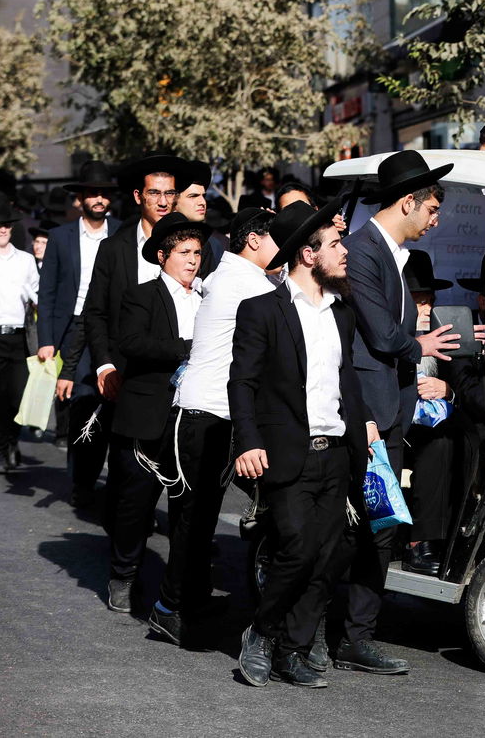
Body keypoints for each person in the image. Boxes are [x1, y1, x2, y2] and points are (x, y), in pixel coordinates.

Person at [230, 199, 373, 689]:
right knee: (296, 547)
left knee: (328, 557)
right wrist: (247, 442)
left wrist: (364, 428)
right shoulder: (260, 311)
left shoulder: (342, 314)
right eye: (335, 244)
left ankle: (293, 650)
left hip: (336, 451)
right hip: (285, 453)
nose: (343, 251)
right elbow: (242, 383)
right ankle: (261, 634)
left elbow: (345, 381)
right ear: (308, 255)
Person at [340, 150, 457, 675]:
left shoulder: (392, 254)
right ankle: (334, 633)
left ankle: (354, 635)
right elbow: (377, 332)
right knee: (355, 526)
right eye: (431, 208)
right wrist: (420, 342)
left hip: (392, 410)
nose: (436, 220)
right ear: (407, 202)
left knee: (379, 525)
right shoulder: (362, 250)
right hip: (364, 411)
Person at [147, 207, 279, 646]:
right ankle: (168, 608)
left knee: (196, 521)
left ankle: (191, 599)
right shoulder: (248, 282)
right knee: (194, 521)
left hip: (208, 414)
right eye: (279, 236)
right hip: (202, 415)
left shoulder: (232, 274)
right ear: (254, 240)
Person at [104, 212, 208, 614]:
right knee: (137, 504)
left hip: (191, 418)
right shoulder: (140, 294)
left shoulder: (206, 296)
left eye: (197, 252)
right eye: (183, 252)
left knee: (187, 510)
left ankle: (180, 590)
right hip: (146, 414)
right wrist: (187, 347)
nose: (192, 259)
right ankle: (123, 575)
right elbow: (130, 342)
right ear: (163, 256)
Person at [82, 154, 197, 502]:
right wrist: (104, 365)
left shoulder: (193, 246)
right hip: (128, 376)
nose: (163, 201)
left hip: (184, 381)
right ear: (138, 197)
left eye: (169, 193)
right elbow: (96, 312)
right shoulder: (113, 249)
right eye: (154, 193)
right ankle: (125, 541)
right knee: (128, 476)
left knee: (182, 473)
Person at [37, 161, 122, 464]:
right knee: (82, 402)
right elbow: (46, 292)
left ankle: (103, 474)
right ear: (81, 198)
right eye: (92, 193)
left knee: (110, 403)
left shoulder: (122, 233)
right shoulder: (61, 237)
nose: (99, 199)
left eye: (104, 193)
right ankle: (82, 479)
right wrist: (46, 339)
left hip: (111, 328)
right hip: (73, 328)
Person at [401, 249, 466, 577]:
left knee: (450, 439)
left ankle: (443, 536)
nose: (424, 308)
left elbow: (463, 384)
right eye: (416, 300)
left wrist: (447, 391)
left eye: (428, 300)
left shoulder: (447, 333)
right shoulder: (387, 334)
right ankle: (420, 542)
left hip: (434, 423)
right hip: (392, 424)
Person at [0, 199, 40, 473]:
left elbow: (38, 296)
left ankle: (11, 440)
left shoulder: (25, 261)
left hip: (17, 337)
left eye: (5, 225)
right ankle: (4, 447)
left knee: (16, 396)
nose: (2, 229)